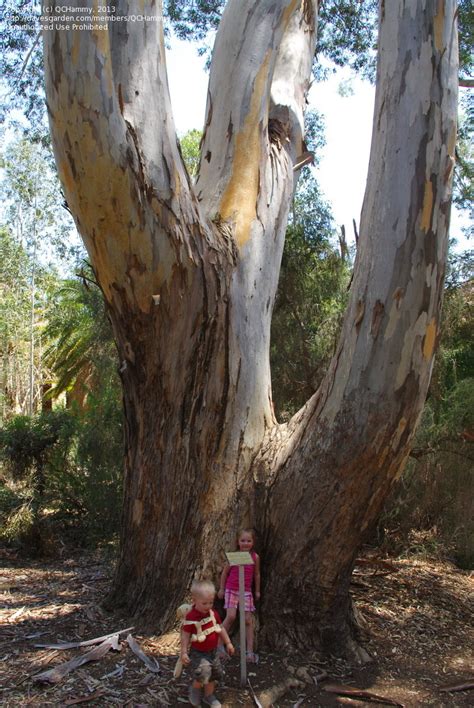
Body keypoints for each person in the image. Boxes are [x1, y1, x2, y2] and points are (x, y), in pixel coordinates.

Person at [180, 579, 234, 707]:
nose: (208, 606)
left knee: (214, 673)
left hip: (213, 652)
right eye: (204, 603)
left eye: (211, 602)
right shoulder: (192, 616)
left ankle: (208, 695)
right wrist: (183, 652)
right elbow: (185, 635)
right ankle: (195, 689)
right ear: (194, 600)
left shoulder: (213, 614)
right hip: (198, 652)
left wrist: (228, 643)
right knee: (203, 672)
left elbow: (220, 628)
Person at [218, 527, 261, 663]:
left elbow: (257, 574)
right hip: (232, 590)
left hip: (246, 591)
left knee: (248, 620)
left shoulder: (255, 557)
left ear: (253, 542)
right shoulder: (234, 556)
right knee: (230, 616)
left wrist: (257, 590)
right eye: (243, 540)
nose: (245, 543)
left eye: (249, 541)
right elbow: (225, 573)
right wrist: (221, 589)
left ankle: (249, 651)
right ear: (238, 541)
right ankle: (219, 646)